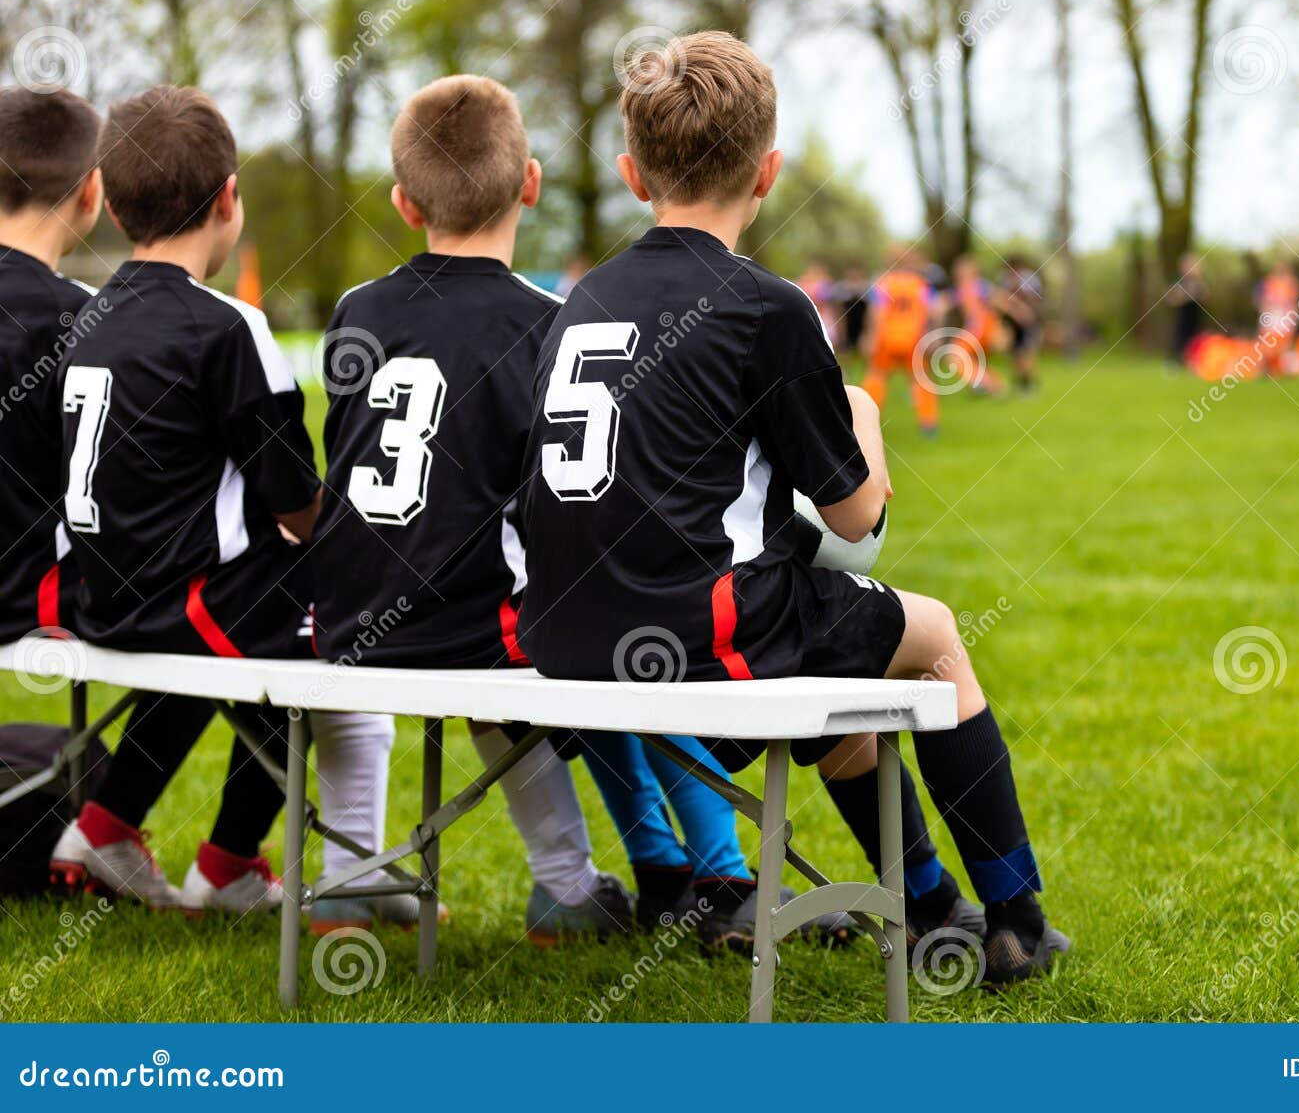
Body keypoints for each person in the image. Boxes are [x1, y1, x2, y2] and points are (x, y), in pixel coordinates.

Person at [519, 31, 1066, 984]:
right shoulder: (766, 306)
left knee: (845, 648)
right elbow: (855, 519)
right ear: (767, 171)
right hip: (698, 630)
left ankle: (934, 906)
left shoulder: (580, 298)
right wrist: (864, 413)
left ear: (630, 171)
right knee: (932, 635)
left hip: (564, 633)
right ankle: (1017, 919)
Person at [312, 74, 804, 947]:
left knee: (595, 631)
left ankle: (352, 874)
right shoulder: (549, 318)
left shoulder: (357, 309)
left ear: (400, 200)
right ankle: (614, 881)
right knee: (623, 629)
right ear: (530, 183)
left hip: (348, 615)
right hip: (476, 618)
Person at [51, 86, 396, 917]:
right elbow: (291, 500)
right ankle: (241, 863)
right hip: (185, 600)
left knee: (244, 628)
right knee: (348, 627)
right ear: (229, 199)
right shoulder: (226, 326)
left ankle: (105, 823)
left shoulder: (82, 316)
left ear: (111, 198)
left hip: (102, 594)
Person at [0, 86, 238, 905]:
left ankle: (105, 825)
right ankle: (135, 829)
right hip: (34, 591)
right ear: (94, 193)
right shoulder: (87, 320)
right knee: (209, 595)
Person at [863, 245, 943, 436]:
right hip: (914, 338)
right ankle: (928, 424)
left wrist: (870, 336)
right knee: (921, 379)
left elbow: (877, 311)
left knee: (877, 375)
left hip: (887, 337)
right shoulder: (921, 283)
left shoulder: (883, 283)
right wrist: (934, 334)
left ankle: (867, 421)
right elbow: (936, 309)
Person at [951, 255, 1005, 394]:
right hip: (979, 328)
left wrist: (998, 329)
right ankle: (996, 387)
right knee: (975, 360)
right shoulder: (962, 288)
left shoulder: (978, 285)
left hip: (979, 328)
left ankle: (983, 383)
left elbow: (996, 302)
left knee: (955, 356)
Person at [997, 256, 1043, 394]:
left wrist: (1026, 312)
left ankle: (1029, 383)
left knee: (1027, 351)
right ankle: (1019, 382)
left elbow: (1035, 298)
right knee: (1015, 352)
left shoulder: (1031, 278)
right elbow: (1001, 298)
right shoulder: (1003, 278)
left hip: (1028, 321)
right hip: (1012, 321)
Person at [1166, 252, 1207, 367]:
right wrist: (1182, 297)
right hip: (1183, 317)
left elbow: (1205, 297)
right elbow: (1171, 299)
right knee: (1180, 338)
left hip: (1197, 317)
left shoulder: (1200, 283)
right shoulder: (1180, 283)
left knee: (1197, 339)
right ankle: (1176, 361)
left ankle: (1195, 362)